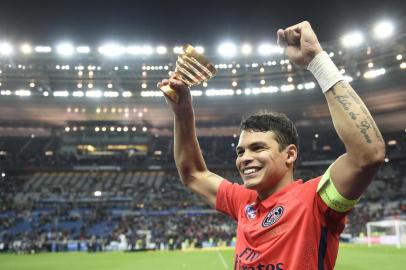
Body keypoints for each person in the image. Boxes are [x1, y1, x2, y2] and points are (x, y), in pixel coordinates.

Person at [158, 21, 385, 269]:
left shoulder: (314, 201)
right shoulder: (243, 201)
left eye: (258, 148)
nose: (244, 158)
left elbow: (369, 155)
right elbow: (193, 173)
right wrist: (182, 113)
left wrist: (316, 61)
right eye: (241, 151)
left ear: (289, 155)